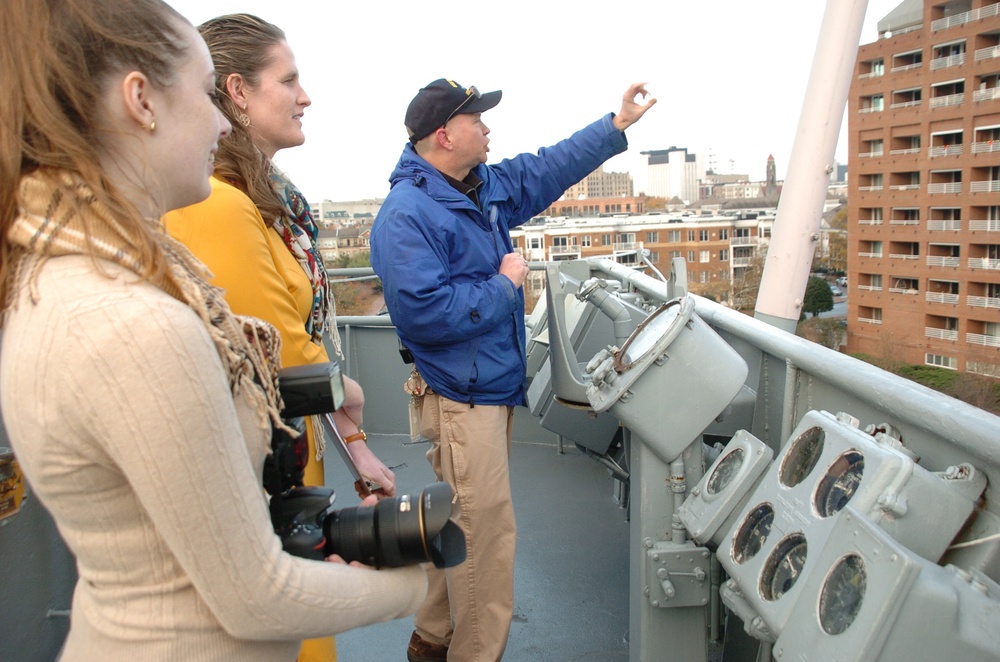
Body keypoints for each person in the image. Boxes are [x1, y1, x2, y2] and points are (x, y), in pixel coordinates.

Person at [0, 1, 425, 660]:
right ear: (140, 101)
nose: (223, 122)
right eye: (206, 92)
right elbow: (257, 595)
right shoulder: (131, 323)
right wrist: (422, 584)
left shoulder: (74, 279)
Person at [370, 79, 656, 661]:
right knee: (485, 537)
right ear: (445, 135)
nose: (488, 128)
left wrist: (616, 125)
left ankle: (431, 637)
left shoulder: (481, 185)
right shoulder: (408, 214)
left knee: (459, 516)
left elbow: (547, 168)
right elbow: (426, 315)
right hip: (461, 394)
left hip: (486, 387)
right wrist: (505, 286)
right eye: (478, 119)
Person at [163, 14, 395, 501]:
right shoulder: (216, 203)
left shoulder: (269, 203)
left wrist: (356, 446)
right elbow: (273, 350)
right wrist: (348, 391)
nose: (304, 97)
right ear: (239, 91)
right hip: (253, 468)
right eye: (288, 80)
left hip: (287, 443)